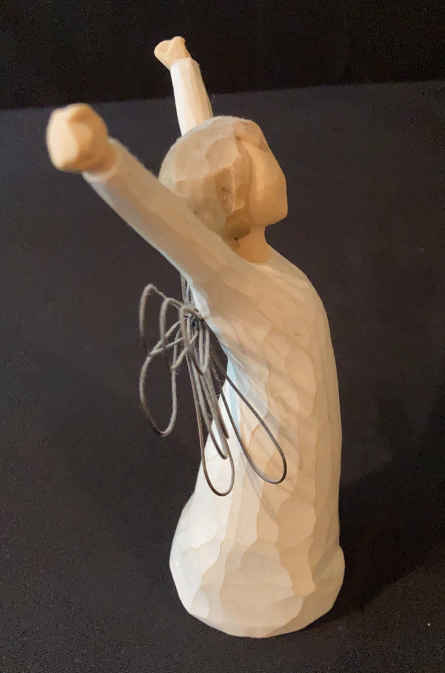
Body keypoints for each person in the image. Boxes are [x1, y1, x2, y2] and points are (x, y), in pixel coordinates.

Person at [46, 36, 344, 638]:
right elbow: (166, 220)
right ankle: (252, 586)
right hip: (272, 450)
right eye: (262, 152)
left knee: (302, 517)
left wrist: (183, 68)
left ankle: (298, 570)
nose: (276, 159)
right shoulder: (231, 283)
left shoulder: (251, 263)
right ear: (233, 196)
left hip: (296, 433)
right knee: (275, 525)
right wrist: (102, 161)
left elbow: (198, 146)